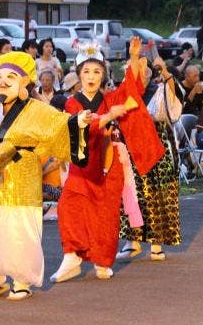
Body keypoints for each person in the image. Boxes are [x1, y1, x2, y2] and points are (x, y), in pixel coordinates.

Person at [0, 51, 91, 301]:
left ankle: (21, 279)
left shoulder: (37, 109)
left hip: (22, 173)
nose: (2, 82)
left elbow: (61, 124)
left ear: (25, 83)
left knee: (19, 229)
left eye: (10, 77)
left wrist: (78, 122)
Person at [51, 38, 164, 283]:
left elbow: (132, 89)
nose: (91, 76)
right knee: (68, 206)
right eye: (87, 71)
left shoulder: (110, 98)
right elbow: (78, 127)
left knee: (107, 214)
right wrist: (109, 116)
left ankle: (103, 260)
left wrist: (133, 57)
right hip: (82, 164)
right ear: (78, 74)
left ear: (103, 75)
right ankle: (72, 255)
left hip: (108, 162)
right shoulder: (71, 102)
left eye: (97, 71)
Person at [117, 56, 182, 261]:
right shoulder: (124, 92)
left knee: (158, 193)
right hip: (131, 146)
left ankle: (156, 243)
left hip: (158, 144)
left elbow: (176, 94)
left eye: (143, 67)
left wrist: (164, 70)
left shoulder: (159, 90)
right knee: (131, 193)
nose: (139, 70)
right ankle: (132, 241)